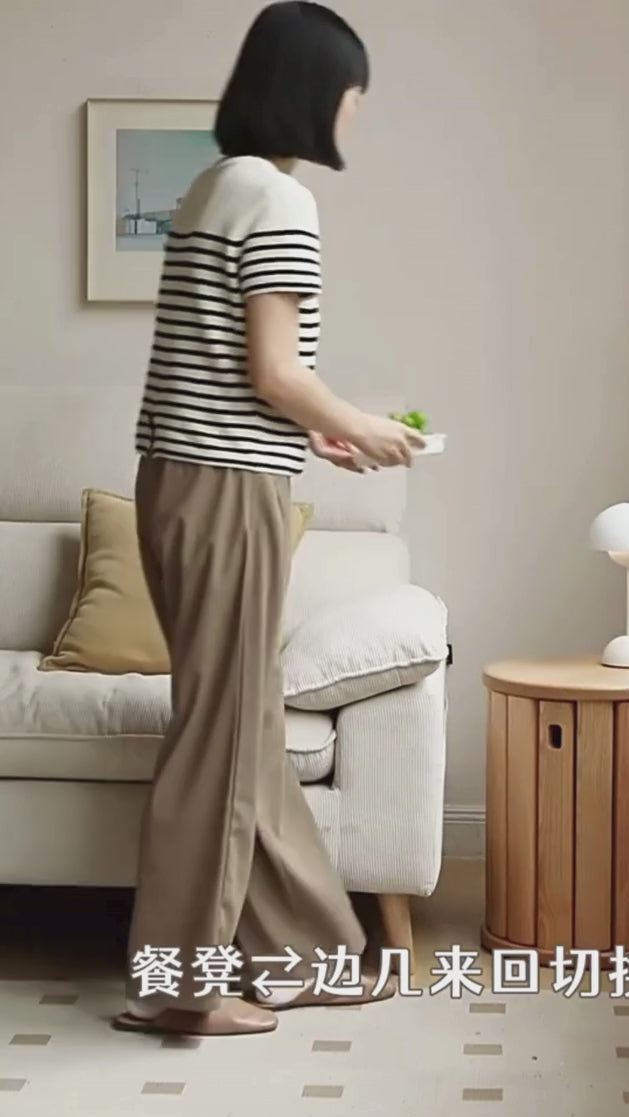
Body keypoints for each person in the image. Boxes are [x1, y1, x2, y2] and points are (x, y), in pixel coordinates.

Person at [113, 0, 425, 1038]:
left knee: (242, 723)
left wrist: (318, 432)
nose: (354, 113)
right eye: (352, 94)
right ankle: (180, 987)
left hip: (178, 476)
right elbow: (275, 371)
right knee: (221, 734)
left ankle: (312, 957)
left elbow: (234, 372)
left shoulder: (215, 186)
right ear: (315, 90)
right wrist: (363, 425)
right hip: (224, 490)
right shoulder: (281, 199)